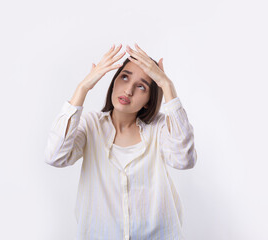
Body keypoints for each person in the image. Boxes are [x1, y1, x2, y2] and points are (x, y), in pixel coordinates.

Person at [44, 43, 197, 240]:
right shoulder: (91, 125)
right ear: (114, 81)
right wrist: (83, 88)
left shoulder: (159, 129)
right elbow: (54, 156)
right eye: (124, 77)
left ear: (149, 100)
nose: (129, 90)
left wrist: (167, 86)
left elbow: (184, 160)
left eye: (141, 86)